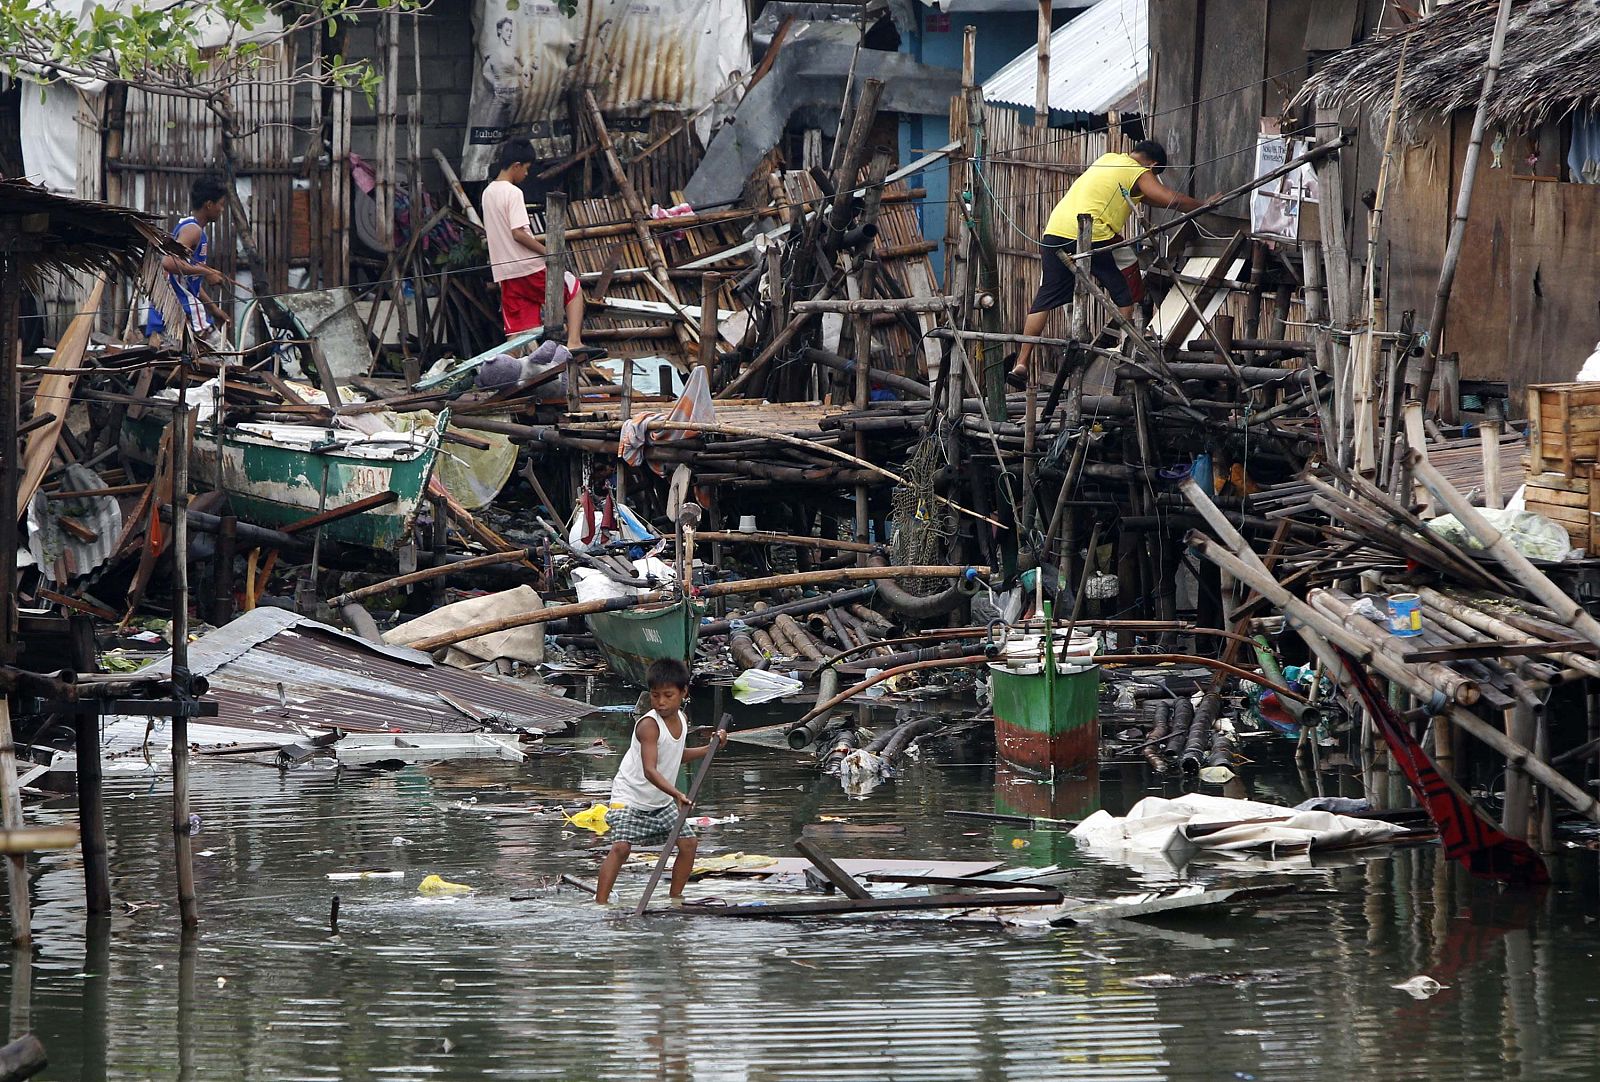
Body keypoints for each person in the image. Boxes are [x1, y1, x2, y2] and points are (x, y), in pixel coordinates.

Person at [1009, 140, 1212, 385]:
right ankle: (1121, 346)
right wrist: (1203, 205)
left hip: (1055, 232)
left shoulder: (1107, 160)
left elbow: (1149, 199)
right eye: (1154, 175)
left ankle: (1021, 363)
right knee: (1126, 290)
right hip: (1091, 234)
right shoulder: (1137, 170)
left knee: (1045, 298)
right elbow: (1168, 198)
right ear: (1152, 165)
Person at [593, 657, 727, 905]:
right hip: (629, 799)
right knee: (621, 848)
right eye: (656, 696)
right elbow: (649, 770)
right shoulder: (649, 726)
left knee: (688, 843)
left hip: (659, 800)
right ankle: (600, 905)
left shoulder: (682, 721)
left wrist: (710, 748)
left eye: (668, 695)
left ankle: (676, 899)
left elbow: (676, 757)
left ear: (683, 692)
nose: (661, 702)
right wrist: (676, 793)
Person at [481, 138, 586, 345]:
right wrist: (548, 252)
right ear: (516, 166)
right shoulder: (513, 192)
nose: (527, 174)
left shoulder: (488, 193)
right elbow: (518, 233)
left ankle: (510, 371)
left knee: (518, 331)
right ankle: (574, 341)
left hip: (506, 273)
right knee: (572, 287)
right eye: (526, 169)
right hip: (528, 267)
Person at [146, 175, 231, 347]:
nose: (222, 210)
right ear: (209, 204)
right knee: (225, 358)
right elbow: (169, 263)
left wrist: (213, 309)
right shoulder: (193, 231)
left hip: (173, 310)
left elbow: (188, 282)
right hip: (181, 311)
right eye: (221, 204)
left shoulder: (189, 228)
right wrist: (206, 272)